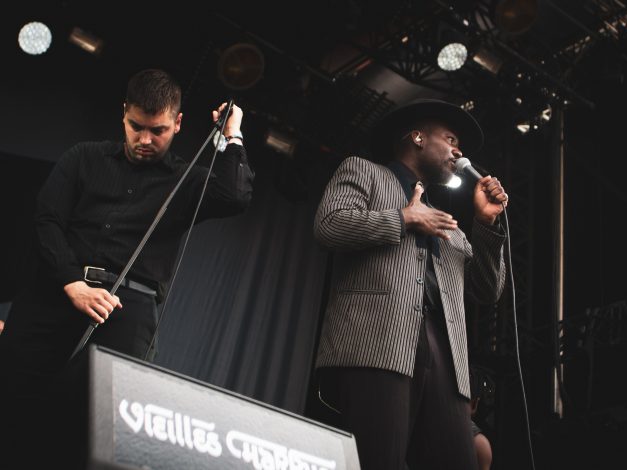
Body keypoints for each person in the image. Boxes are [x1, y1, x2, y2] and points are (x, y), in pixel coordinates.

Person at [0, 68, 254, 466]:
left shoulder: (186, 181)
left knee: (99, 426)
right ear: (124, 114)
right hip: (57, 289)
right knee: (12, 399)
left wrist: (230, 135)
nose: (145, 140)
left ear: (178, 124)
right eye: (137, 127)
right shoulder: (84, 157)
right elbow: (47, 220)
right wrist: (71, 282)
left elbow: (235, 195)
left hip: (126, 308)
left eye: (159, 130)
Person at [313, 98, 508, 470]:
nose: (458, 149)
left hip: (447, 356)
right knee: (378, 460)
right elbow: (329, 224)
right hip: (378, 342)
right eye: (450, 138)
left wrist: (485, 223)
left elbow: (488, 289)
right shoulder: (364, 171)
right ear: (418, 137)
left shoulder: (446, 221)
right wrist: (403, 218)